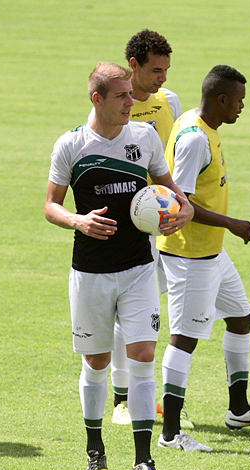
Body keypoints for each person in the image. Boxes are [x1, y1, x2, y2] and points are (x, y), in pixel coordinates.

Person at [45, 62, 193, 470]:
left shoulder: (144, 138)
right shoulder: (71, 145)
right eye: (122, 96)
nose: (132, 102)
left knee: (143, 355)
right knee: (97, 362)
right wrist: (77, 220)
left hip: (138, 268)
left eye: (131, 94)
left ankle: (144, 461)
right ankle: (95, 450)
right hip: (90, 271)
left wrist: (182, 211)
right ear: (98, 99)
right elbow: (51, 205)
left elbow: (172, 192)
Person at [156, 65, 250, 453]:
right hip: (190, 255)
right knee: (184, 339)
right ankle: (170, 434)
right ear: (221, 99)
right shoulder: (196, 139)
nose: (242, 107)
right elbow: (181, 202)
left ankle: (238, 410)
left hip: (212, 252)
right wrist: (232, 223)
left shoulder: (200, 125)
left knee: (241, 317)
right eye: (239, 100)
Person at [102, 29, 192, 430]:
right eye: (156, 70)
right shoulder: (114, 107)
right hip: (129, 226)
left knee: (160, 313)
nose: (163, 78)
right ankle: (122, 399)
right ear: (133, 65)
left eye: (166, 70)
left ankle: (163, 402)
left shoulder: (169, 102)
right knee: (127, 315)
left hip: (167, 223)